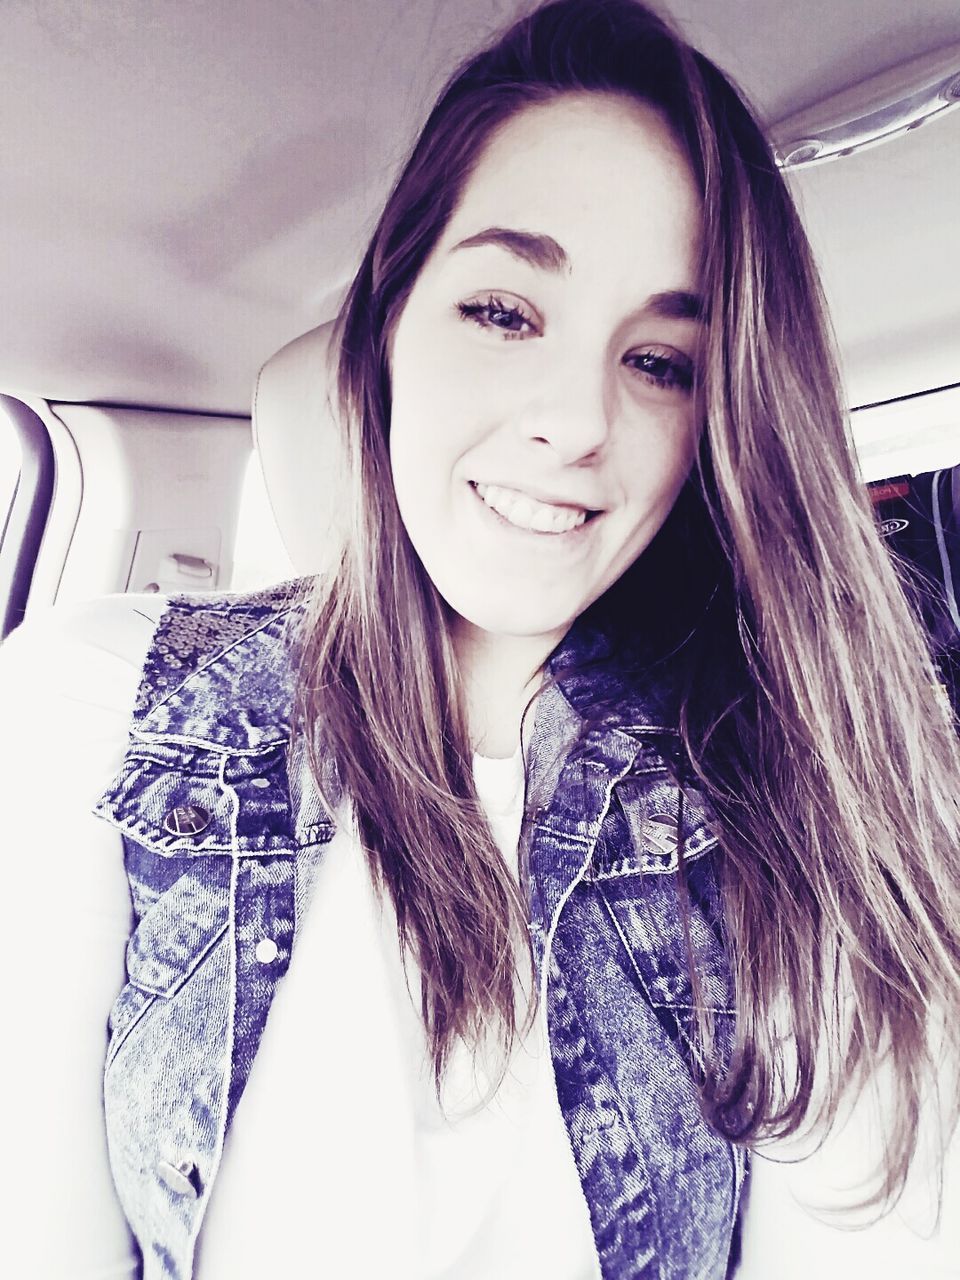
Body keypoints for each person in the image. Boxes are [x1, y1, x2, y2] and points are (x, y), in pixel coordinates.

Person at [4, 0, 960, 1277]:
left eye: (664, 361)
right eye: (506, 311)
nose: (575, 419)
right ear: (390, 319)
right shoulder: (94, 709)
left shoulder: (814, 800)